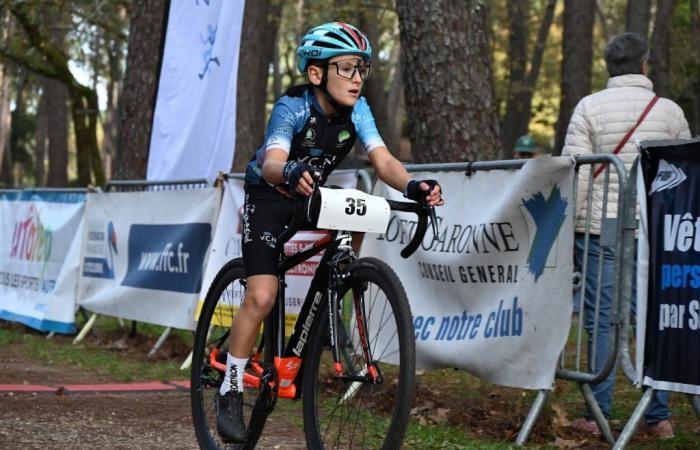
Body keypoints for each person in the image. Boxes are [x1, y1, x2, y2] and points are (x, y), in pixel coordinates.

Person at [215, 22, 444, 443]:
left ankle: (338, 288)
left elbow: (384, 160)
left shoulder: (358, 111)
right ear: (317, 73)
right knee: (263, 295)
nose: (357, 78)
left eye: (362, 68)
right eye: (347, 68)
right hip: (271, 194)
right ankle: (230, 388)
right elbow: (272, 161)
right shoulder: (292, 106)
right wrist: (290, 168)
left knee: (357, 212)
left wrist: (413, 186)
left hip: (309, 192)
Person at [562, 32, 690, 439]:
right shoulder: (669, 112)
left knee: (602, 320)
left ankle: (599, 412)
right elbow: (685, 175)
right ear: (644, 64)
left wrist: (570, 224)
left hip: (603, 227)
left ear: (608, 66)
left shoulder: (589, 108)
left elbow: (576, 172)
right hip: (658, 230)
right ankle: (659, 417)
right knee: (656, 318)